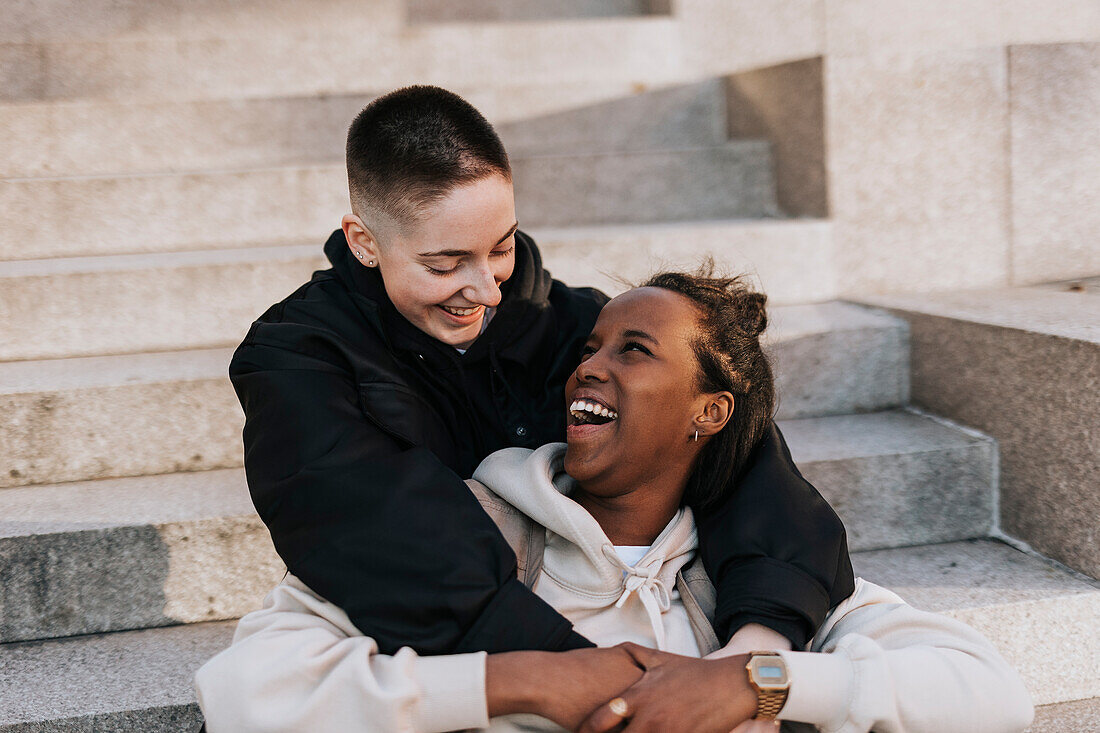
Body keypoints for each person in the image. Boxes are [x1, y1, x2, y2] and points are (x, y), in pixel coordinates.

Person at [195, 270, 1034, 733]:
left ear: (710, 413)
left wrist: (754, 681)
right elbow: (245, 692)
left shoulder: (743, 579)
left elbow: (991, 693)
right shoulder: (471, 538)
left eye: (634, 350)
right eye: (589, 347)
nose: (588, 366)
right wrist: (522, 681)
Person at [227, 83, 853, 661]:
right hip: (457, 654)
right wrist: (583, 673)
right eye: (445, 265)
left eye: (499, 248)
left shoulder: (581, 331)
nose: (485, 291)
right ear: (363, 241)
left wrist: (756, 648)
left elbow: (751, 471)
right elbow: (373, 534)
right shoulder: (296, 358)